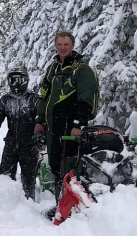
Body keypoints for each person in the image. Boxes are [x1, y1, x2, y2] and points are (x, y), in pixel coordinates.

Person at [34, 30, 99, 198]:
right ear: (55, 45)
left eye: (66, 44)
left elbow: (87, 100)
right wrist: (39, 120)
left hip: (70, 130)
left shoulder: (82, 70)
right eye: (59, 44)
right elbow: (43, 95)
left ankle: (73, 206)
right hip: (52, 128)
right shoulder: (52, 69)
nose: (62, 48)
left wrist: (77, 124)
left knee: (70, 166)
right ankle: (59, 201)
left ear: (72, 46)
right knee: (55, 165)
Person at [0, 66, 39, 198]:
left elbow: (43, 121)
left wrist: (43, 138)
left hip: (30, 145)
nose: (16, 84)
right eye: (12, 80)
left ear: (26, 80)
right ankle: (3, 208)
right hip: (11, 144)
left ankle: (29, 211)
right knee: (4, 180)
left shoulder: (34, 99)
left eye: (19, 80)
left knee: (29, 183)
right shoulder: (5, 100)